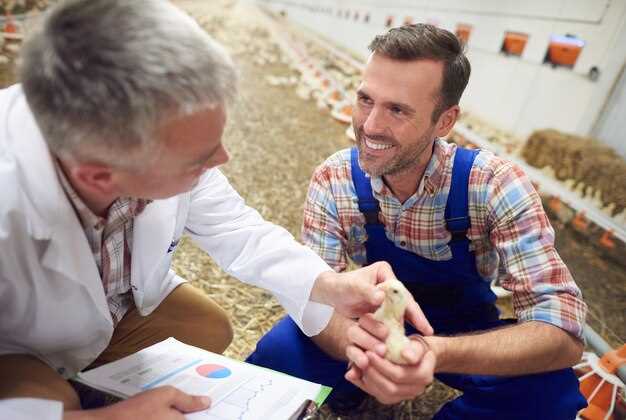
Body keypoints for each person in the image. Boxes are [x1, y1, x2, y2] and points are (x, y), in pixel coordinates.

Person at [0, 1, 432, 418]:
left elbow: (239, 229)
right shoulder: (9, 202)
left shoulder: (137, 138)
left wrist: (328, 284)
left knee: (207, 328)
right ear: (99, 176)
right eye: (198, 159)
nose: (222, 158)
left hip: (109, 302)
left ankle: (94, 379)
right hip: (16, 342)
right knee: (56, 406)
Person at [247, 24, 589, 419]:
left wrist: (430, 352)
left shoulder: (494, 184)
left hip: (464, 331)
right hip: (373, 323)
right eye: (365, 99)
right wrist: (373, 352)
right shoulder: (335, 179)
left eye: (397, 109)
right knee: (280, 352)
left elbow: (562, 332)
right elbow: (316, 294)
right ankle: (350, 389)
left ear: (444, 121)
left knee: (549, 393)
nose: (370, 126)